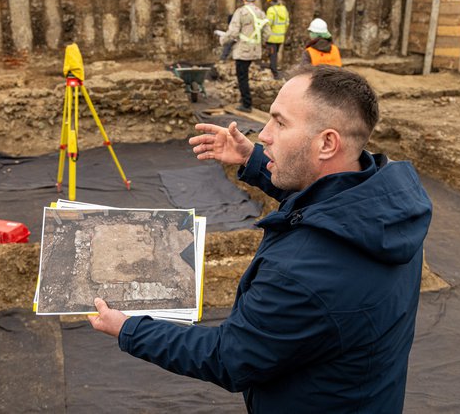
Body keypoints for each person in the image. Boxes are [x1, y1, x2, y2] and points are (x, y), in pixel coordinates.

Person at [89, 65, 433, 413]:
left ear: (328, 142)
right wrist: (254, 160)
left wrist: (128, 329)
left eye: (280, 123)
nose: (264, 134)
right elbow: (325, 202)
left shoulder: (300, 273)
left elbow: (229, 357)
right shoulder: (386, 207)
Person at [214, 0, 270, 113]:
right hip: (254, 51)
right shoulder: (261, 13)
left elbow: (233, 32)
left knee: (242, 77)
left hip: (243, 51)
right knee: (245, 76)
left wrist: (223, 40)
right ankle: (245, 101)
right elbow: (267, 32)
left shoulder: (241, 12)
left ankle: (246, 104)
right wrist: (259, 43)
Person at [265, 0, 289, 79]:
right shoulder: (284, 9)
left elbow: (268, 24)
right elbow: (287, 23)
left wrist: (265, 36)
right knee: (275, 54)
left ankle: (274, 73)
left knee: (272, 56)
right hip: (280, 37)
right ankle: (274, 69)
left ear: (270, 1)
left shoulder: (271, 10)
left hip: (272, 38)